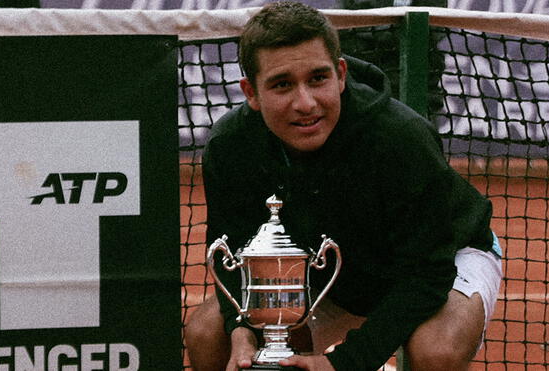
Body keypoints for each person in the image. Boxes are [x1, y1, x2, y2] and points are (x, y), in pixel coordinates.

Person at [184, 2, 502, 370]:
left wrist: (344, 364)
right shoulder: (230, 146)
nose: (305, 103)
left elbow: (427, 273)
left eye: (318, 78)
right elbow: (233, 255)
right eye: (282, 84)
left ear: (340, 74)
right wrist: (242, 328)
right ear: (251, 93)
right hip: (326, 269)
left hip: (444, 257)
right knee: (208, 333)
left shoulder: (400, 137)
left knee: (436, 351)